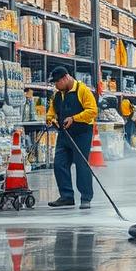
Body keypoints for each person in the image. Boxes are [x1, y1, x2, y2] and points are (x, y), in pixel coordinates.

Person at [45, 65, 98, 209]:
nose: (56, 85)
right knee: (59, 164)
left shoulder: (82, 90)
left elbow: (92, 111)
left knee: (82, 165)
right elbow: (52, 110)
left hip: (82, 133)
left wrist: (74, 118)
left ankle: (86, 197)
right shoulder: (57, 94)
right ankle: (66, 196)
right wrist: (50, 119)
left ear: (66, 78)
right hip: (64, 134)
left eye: (57, 82)